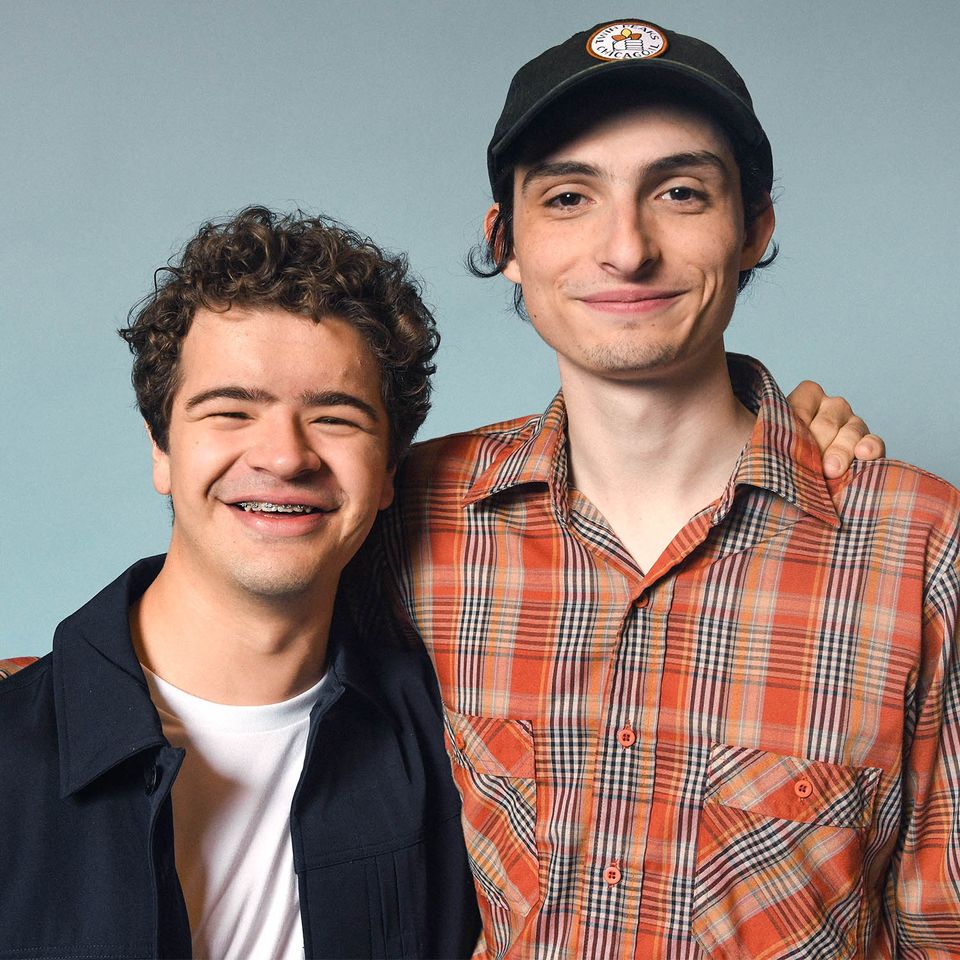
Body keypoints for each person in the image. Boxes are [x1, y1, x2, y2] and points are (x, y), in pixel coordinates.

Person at [375, 18, 960, 958]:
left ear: (755, 228)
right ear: (507, 242)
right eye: (569, 197)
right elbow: (217, 670)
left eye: (680, 192)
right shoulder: (416, 515)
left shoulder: (921, 547)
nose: (626, 248)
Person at [0, 208, 480, 959]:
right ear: (162, 450)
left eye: (336, 417)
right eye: (230, 410)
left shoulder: (457, 751)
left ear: (389, 472)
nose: (285, 457)